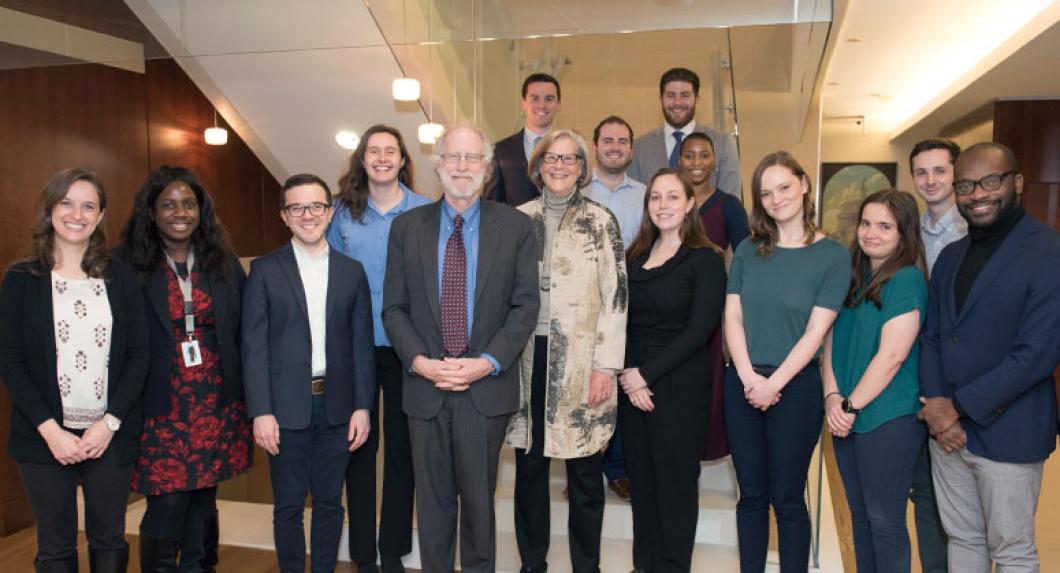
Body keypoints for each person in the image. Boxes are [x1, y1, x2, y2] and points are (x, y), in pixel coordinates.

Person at [382, 122, 539, 572]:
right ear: (437, 165)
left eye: (472, 158)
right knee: (431, 511)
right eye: (453, 157)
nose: (462, 166)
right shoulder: (406, 228)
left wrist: (485, 364)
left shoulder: (515, 227)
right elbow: (394, 308)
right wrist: (421, 363)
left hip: (484, 391)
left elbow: (525, 306)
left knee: (478, 507)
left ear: (488, 168)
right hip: (425, 388)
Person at [918, 142, 1060, 572]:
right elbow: (933, 338)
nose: (977, 194)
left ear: (1016, 182)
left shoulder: (1048, 252)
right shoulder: (950, 256)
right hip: (947, 434)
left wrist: (956, 409)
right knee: (963, 539)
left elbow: (1035, 355)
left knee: (1012, 551)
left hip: (1008, 430)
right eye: (965, 185)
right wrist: (937, 406)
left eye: (990, 182)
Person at [0, 168, 147, 572]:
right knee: (55, 547)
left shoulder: (121, 278)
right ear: (49, 210)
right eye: (66, 203)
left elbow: (139, 355)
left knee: (109, 540)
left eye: (88, 206)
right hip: (42, 438)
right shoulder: (20, 279)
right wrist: (51, 430)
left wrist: (109, 423)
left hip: (108, 436)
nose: (76, 214)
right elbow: (10, 362)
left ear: (100, 217)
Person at [115, 165, 253, 572]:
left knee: (203, 499)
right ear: (151, 211)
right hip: (159, 405)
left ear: (201, 210)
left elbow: (243, 328)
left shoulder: (221, 260)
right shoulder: (125, 265)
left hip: (215, 403)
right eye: (169, 204)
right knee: (168, 501)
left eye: (189, 204)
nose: (180, 212)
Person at [507, 129, 628, 573]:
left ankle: (586, 566)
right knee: (531, 469)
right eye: (551, 159)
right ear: (538, 166)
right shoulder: (518, 220)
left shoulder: (601, 221)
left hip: (582, 365)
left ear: (581, 168)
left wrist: (606, 367)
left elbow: (616, 298)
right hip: (525, 362)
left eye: (569, 159)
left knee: (583, 474)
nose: (559, 166)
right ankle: (532, 564)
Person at [242, 173, 376, 573]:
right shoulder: (264, 271)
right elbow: (253, 347)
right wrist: (260, 411)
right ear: (284, 216)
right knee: (287, 506)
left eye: (315, 206)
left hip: (337, 406)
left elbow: (361, 346)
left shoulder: (352, 272)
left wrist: (362, 407)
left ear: (329, 212)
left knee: (331, 503)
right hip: (284, 409)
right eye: (296, 207)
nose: (307, 215)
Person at [723, 151, 850, 572]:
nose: (776, 199)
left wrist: (772, 383)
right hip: (742, 382)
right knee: (752, 495)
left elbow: (816, 333)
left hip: (796, 388)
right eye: (766, 192)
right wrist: (747, 377)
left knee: (788, 497)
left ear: (804, 185)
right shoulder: (747, 249)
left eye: (784, 187)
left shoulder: (832, 255)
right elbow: (733, 316)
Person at [327, 124, 430, 573]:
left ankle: (392, 550)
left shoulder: (427, 210)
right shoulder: (341, 213)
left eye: (391, 151)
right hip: (356, 347)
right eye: (374, 151)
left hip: (409, 348)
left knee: (404, 451)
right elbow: (327, 277)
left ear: (404, 158)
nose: (383, 158)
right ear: (362, 159)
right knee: (359, 447)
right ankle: (363, 553)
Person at [618, 168, 726, 572]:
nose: (663, 206)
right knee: (642, 486)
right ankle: (643, 565)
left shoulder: (706, 260)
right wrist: (630, 374)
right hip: (632, 386)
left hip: (678, 386)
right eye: (655, 198)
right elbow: (618, 320)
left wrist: (645, 374)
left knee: (676, 488)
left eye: (672, 197)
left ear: (690, 204)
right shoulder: (634, 257)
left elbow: (700, 330)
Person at [822, 189, 928, 573]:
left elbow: (893, 355)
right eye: (866, 223)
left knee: (884, 521)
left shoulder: (907, 279)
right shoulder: (854, 275)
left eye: (885, 226)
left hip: (887, 417)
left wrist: (850, 405)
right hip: (845, 414)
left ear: (904, 232)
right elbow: (831, 340)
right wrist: (833, 396)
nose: (871, 233)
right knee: (859, 515)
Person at [582, 114, 646, 501]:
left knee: (622, 382)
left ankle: (618, 467)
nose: (615, 147)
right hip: (584, 305)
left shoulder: (645, 193)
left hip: (632, 301)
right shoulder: (576, 189)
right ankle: (584, 471)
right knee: (585, 385)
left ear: (631, 149)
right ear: (595, 146)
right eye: (608, 140)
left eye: (623, 141)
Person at [906, 138, 962, 573]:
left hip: (960, 379)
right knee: (925, 495)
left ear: (956, 174)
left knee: (965, 509)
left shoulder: (973, 231)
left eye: (939, 171)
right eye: (921, 172)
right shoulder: (910, 232)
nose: (930, 180)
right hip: (916, 375)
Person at [677, 131, 749, 461]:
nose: (696, 162)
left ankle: (706, 445)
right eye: (689, 155)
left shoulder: (728, 205)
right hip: (673, 305)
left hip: (712, 306)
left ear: (714, 161)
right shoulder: (672, 200)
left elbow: (747, 257)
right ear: (680, 160)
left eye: (703, 155)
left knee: (709, 376)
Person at [629, 67, 741, 197]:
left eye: (685, 95)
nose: (677, 102)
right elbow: (633, 203)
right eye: (671, 95)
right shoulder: (639, 147)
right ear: (661, 100)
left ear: (697, 99)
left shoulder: (722, 144)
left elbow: (731, 202)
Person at [487, 73, 562, 206]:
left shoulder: (571, 150)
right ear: (523, 103)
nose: (542, 105)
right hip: (514, 227)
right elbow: (492, 207)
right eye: (535, 99)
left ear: (558, 105)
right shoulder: (500, 151)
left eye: (549, 99)